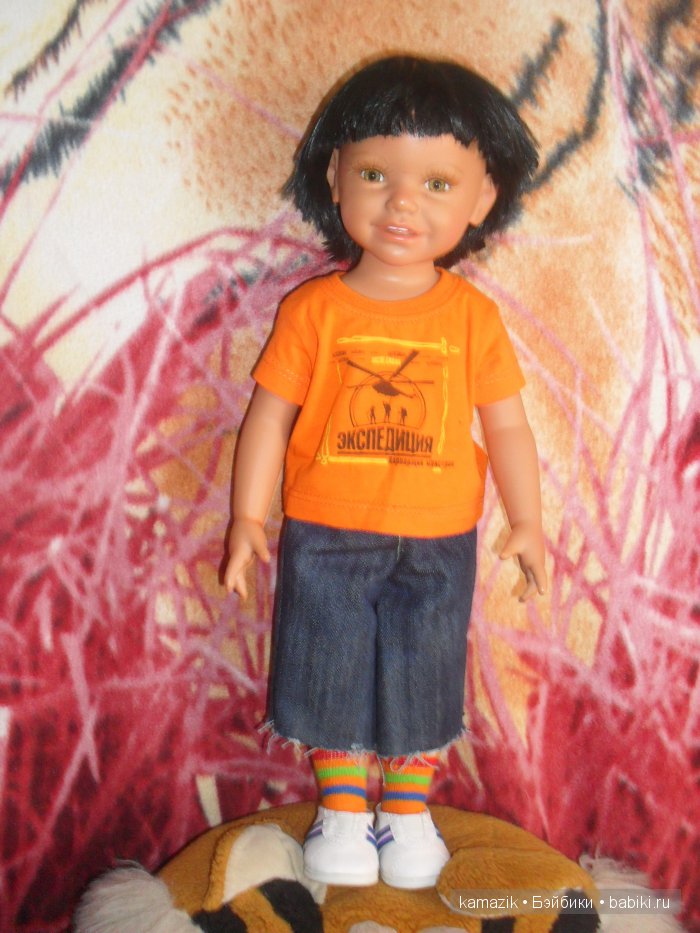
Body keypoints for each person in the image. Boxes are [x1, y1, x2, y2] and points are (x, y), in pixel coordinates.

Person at [224, 55, 547, 890]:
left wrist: (529, 519)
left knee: (424, 666)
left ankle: (405, 813)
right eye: (376, 174)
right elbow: (268, 415)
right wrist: (248, 518)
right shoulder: (313, 311)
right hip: (326, 528)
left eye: (438, 183)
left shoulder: (472, 317)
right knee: (324, 660)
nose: (403, 203)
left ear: (482, 199)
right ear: (336, 175)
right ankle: (340, 809)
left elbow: (508, 423)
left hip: (439, 533)